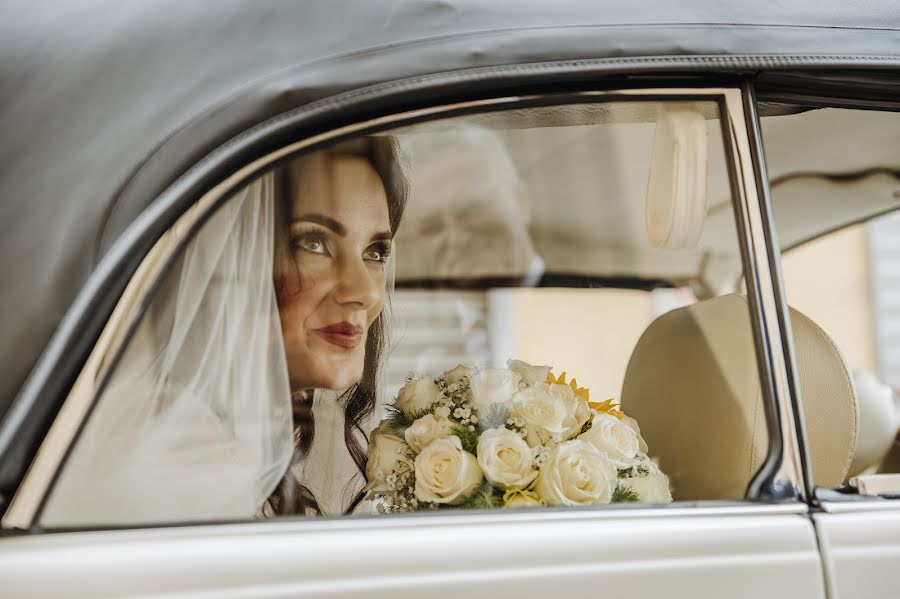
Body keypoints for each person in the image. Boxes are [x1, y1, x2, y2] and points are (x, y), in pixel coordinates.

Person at [40, 136, 407, 526]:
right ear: (235, 258)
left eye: (376, 252)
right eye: (313, 242)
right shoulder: (182, 455)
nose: (365, 292)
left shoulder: (240, 435)